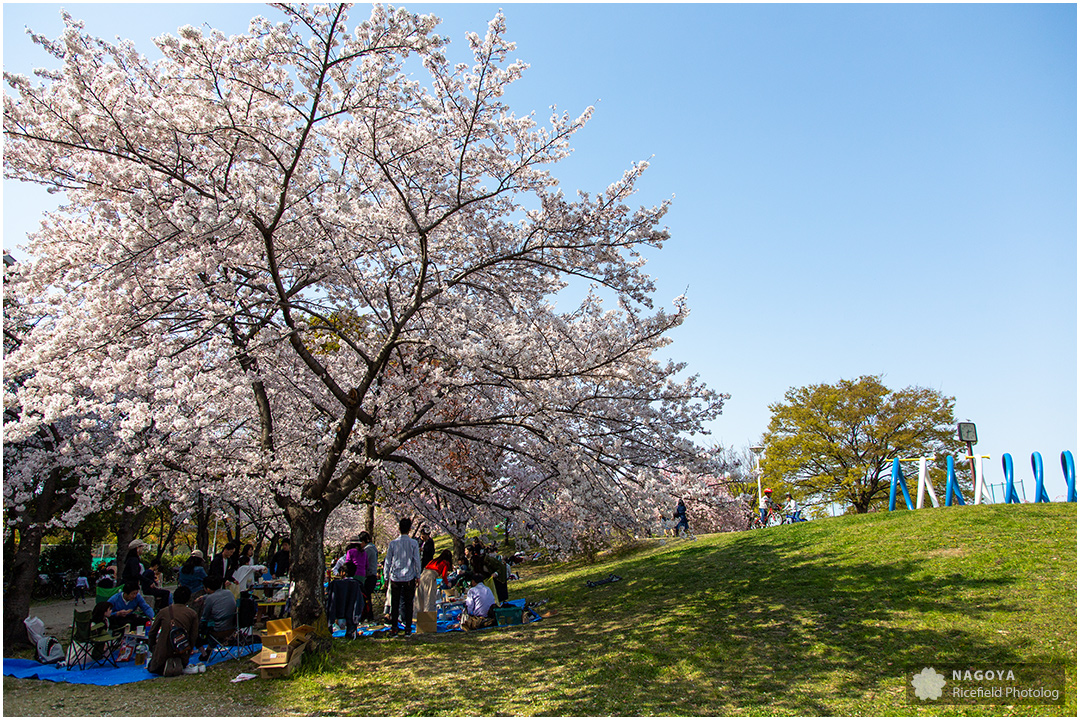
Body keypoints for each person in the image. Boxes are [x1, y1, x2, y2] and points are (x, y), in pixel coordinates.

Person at [147, 585, 199, 676]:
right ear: (188, 599)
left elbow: (152, 632)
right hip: (181, 653)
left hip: (161, 655)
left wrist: (153, 648)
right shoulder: (192, 614)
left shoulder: (163, 612)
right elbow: (193, 636)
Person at [383, 517, 421, 637]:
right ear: (410, 529)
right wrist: (418, 575)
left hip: (395, 577)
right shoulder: (413, 543)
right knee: (409, 603)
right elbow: (417, 560)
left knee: (395, 603)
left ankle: (394, 628)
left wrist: (385, 577)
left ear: (399, 528)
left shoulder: (393, 543)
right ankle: (408, 628)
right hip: (409, 577)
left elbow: (388, 561)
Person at [197, 575, 237, 661]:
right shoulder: (228, 593)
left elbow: (205, 617)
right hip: (233, 626)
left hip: (219, 629)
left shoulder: (210, 598)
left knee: (200, 627)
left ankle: (204, 652)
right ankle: (209, 649)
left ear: (207, 589)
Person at [359, 532, 377, 622]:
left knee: (366, 597)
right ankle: (368, 615)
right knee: (367, 597)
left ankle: (367, 615)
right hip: (371, 575)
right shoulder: (372, 548)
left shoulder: (368, 550)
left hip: (369, 576)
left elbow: (363, 562)